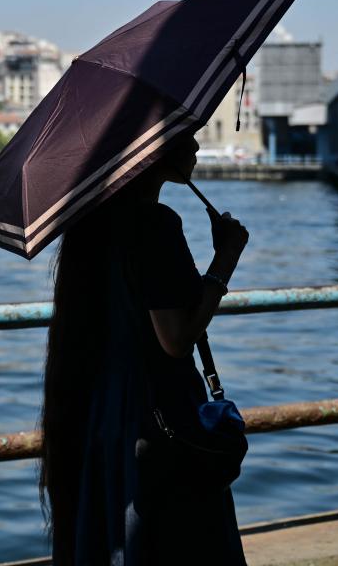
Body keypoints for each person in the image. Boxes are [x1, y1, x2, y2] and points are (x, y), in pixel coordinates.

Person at [39, 132, 250, 565]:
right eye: (183, 138)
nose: (194, 147)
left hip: (110, 415)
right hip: (160, 416)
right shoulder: (155, 225)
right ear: (150, 152)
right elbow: (176, 339)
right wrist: (226, 257)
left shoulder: (95, 224)